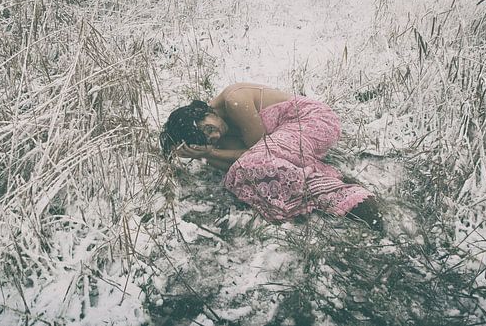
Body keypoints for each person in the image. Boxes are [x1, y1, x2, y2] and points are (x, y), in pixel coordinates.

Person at [160, 83, 383, 230]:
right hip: (293, 137)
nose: (216, 135)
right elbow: (238, 161)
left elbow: (260, 151)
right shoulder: (222, 129)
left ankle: (338, 191)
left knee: (251, 166)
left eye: (209, 128)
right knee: (244, 170)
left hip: (314, 121)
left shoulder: (234, 100)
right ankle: (322, 185)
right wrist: (205, 155)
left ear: (205, 111)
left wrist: (211, 152)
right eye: (209, 139)